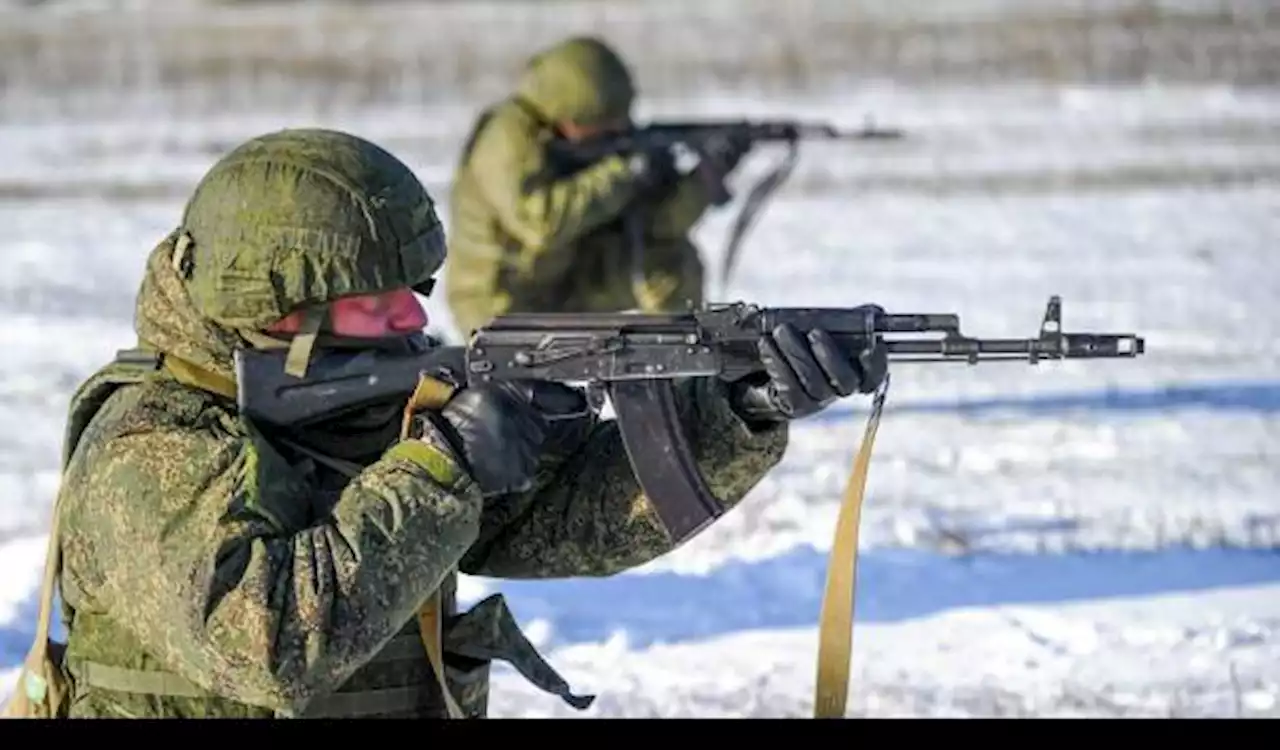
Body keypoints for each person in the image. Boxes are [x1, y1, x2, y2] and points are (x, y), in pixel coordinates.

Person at [45, 127, 887, 719]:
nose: (414, 313)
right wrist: (442, 468)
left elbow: (568, 524)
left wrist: (739, 407)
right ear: (278, 312)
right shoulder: (147, 445)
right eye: (376, 297)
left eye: (417, 287)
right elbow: (268, 646)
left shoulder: (362, 401)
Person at [444, 35, 751, 337]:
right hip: (498, 304)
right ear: (570, 111)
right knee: (528, 385)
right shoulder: (506, 137)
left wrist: (704, 177)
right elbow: (539, 223)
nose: (614, 131)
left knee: (670, 263)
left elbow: (658, 225)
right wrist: (623, 172)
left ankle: (681, 375)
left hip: (565, 281)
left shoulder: (592, 146)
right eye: (602, 122)